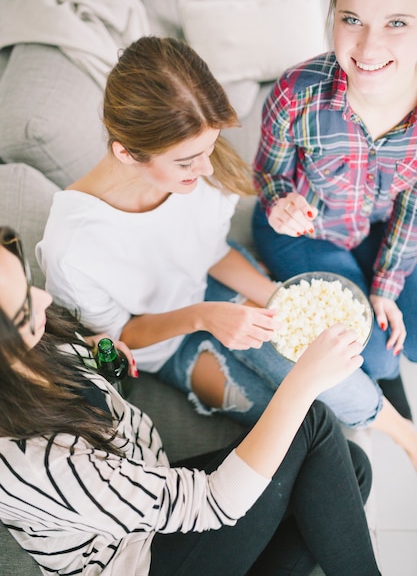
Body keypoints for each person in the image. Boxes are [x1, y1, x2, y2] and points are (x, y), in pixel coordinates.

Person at [36, 35, 417, 470]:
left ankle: (406, 436)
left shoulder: (196, 167)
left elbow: (210, 253)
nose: (206, 169)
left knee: (318, 361)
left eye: (209, 150)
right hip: (167, 345)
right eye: (187, 162)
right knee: (302, 416)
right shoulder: (75, 248)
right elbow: (118, 341)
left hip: (217, 283)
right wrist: (204, 316)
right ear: (127, 153)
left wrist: (282, 297)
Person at [0, 225, 381, 575]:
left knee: (354, 466)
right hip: (134, 556)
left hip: (147, 482)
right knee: (311, 423)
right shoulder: (35, 463)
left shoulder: (26, 349)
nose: (44, 298)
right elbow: (214, 502)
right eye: (24, 311)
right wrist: (303, 382)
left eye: (27, 281)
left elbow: (78, 364)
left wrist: (96, 352)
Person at [252, 0, 417, 449]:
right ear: (332, 14)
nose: (368, 46)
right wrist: (280, 201)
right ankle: (392, 420)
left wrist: (386, 285)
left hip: (384, 231)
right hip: (308, 233)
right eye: (352, 19)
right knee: (379, 354)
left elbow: (412, 207)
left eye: (397, 23)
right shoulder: (295, 94)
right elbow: (269, 174)